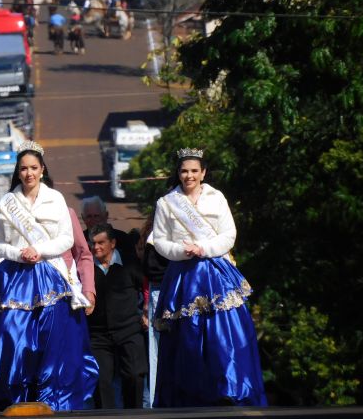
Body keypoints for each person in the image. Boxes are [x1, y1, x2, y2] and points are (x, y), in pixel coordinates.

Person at [0, 141, 98, 411]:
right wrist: (20, 253)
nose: (28, 173)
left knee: (52, 339)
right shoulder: (6, 203)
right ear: (18, 172)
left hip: (49, 275)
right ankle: (15, 397)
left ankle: (51, 399)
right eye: (23, 168)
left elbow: (66, 239)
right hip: (14, 277)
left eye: (33, 168)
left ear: (42, 170)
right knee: (10, 335)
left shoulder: (56, 199)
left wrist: (39, 251)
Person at [152, 148, 267, 407]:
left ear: (203, 173)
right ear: (178, 174)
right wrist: (182, 251)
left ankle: (230, 388)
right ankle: (189, 393)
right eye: (184, 171)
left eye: (194, 171)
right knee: (186, 336)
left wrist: (203, 249)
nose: (189, 176)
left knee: (226, 333)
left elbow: (229, 234)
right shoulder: (166, 203)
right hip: (183, 275)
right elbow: (159, 240)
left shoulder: (217, 198)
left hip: (217, 272)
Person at [87, 223, 147, 409]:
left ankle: (134, 415)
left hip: (128, 330)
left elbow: (146, 286)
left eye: (101, 242)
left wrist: (146, 309)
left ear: (112, 243)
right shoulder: (86, 269)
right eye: (93, 243)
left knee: (135, 375)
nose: (96, 247)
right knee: (100, 380)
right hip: (98, 335)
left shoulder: (130, 263)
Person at [136, 217, 169, 408]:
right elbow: (150, 274)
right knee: (158, 350)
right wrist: (147, 304)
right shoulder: (154, 238)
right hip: (161, 296)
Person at [64, 207, 96, 316]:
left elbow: (82, 255)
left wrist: (88, 289)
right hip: (25, 291)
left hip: (65, 293)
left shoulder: (65, 212)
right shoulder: (12, 209)